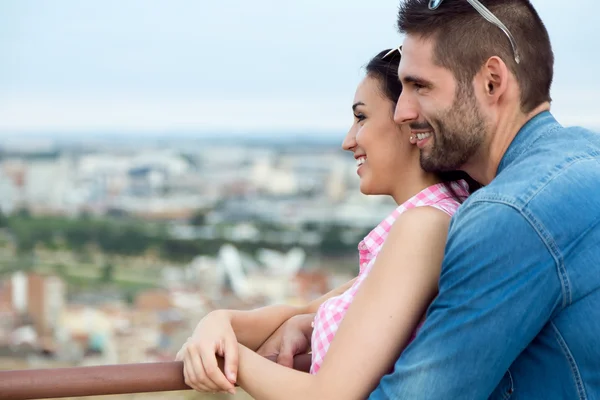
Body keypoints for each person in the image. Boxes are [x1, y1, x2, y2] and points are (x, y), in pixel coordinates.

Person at [176, 48, 480, 399]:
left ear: (410, 120)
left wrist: (228, 359)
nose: (348, 140)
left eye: (361, 118)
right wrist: (218, 322)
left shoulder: (425, 225)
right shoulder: (436, 215)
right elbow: (305, 309)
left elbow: (329, 395)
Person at [363, 0, 600, 399]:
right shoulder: (586, 156)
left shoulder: (507, 216)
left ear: (492, 81)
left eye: (420, 86)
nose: (402, 112)